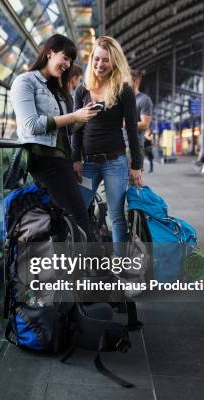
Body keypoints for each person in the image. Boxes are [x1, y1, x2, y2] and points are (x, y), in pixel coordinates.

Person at [10, 34, 98, 239]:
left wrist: (83, 117)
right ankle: (97, 267)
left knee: (64, 220)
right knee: (80, 220)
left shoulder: (56, 89)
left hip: (61, 161)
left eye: (70, 60)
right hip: (45, 162)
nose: (67, 64)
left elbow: (63, 130)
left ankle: (70, 268)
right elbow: (31, 125)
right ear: (49, 53)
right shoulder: (25, 82)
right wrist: (74, 115)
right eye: (64, 57)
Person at [72, 36, 143, 245]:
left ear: (114, 62)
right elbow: (76, 128)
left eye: (105, 60)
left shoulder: (123, 90)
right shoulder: (82, 89)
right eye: (96, 59)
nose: (99, 64)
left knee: (117, 218)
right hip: (88, 165)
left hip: (115, 162)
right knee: (77, 212)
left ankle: (120, 266)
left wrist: (136, 165)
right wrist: (75, 159)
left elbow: (131, 129)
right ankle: (82, 260)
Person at [130, 70, 153, 148]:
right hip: (116, 147)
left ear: (135, 81)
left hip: (133, 146)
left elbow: (144, 125)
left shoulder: (144, 100)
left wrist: (123, 124)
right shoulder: (121, 99)